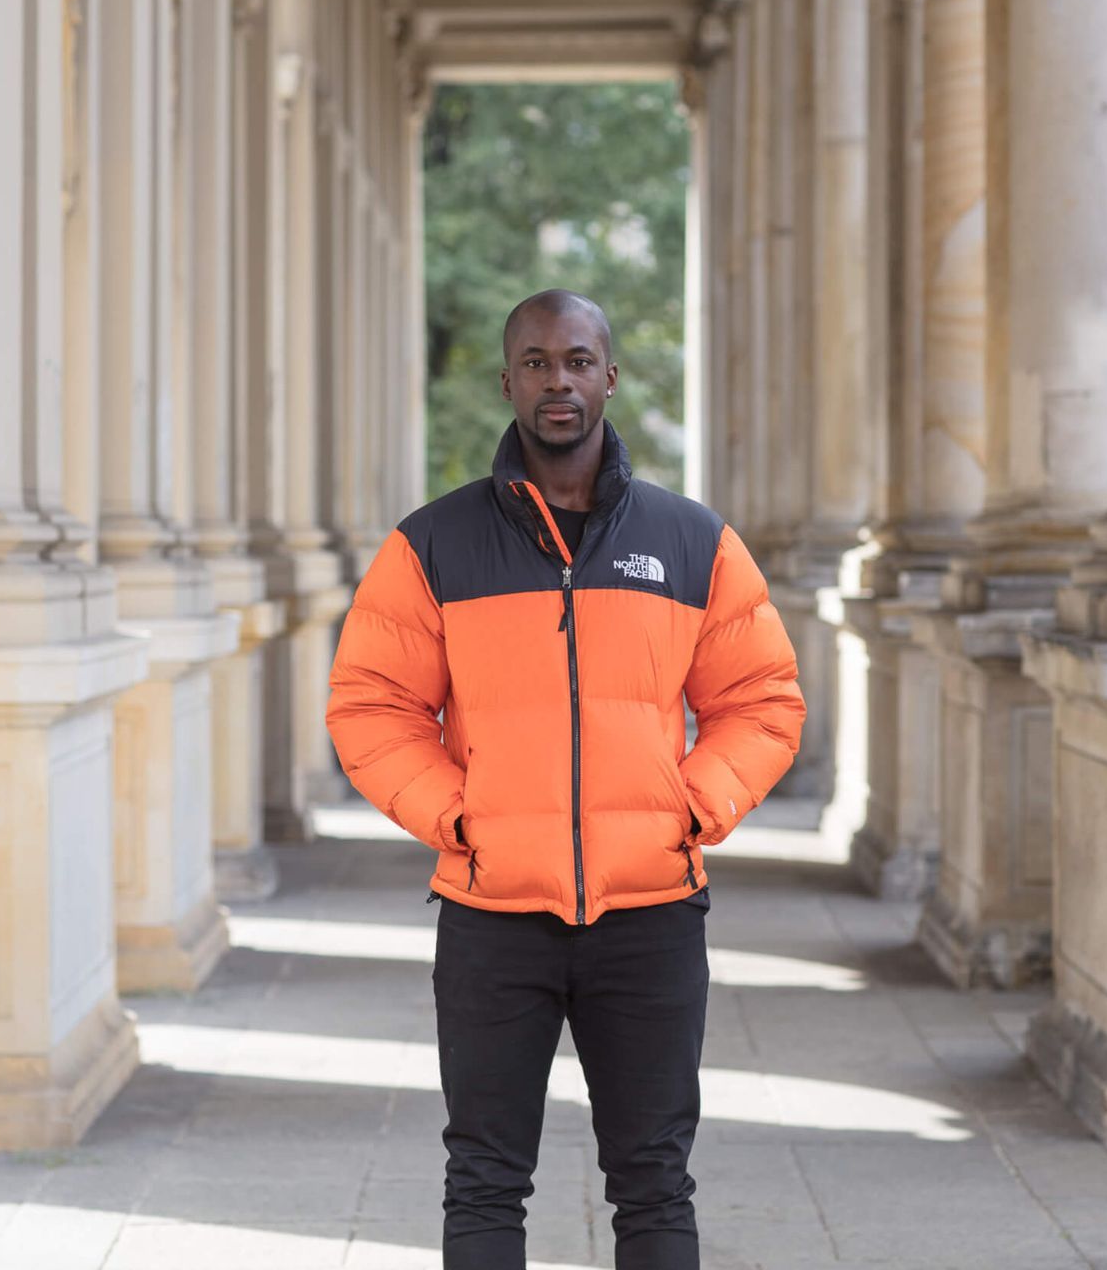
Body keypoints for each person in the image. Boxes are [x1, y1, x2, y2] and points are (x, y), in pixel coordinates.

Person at [325, 288, 805, 1270]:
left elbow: (763, 698)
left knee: (654, 1181)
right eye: (537, 362)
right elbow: (370, 705)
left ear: (609, 378)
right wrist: (459, 819)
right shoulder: (434, 546)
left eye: (578, 361)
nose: (559, 381)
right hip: (493, 911)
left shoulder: (691, 542)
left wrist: (690, 807)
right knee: (486, 1180)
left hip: (650, 912)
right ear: (507, 382)